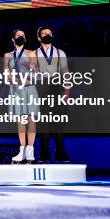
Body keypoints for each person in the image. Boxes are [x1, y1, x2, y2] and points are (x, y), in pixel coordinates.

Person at [36, 26, 70, 163]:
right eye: (44, 34)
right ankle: (45, 153)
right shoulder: (34, 53)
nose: (47, 35)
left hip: (57, 87)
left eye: (49, 33)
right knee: (43, 123)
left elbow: (65, 72)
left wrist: (67, 90)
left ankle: (60, 153)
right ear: (39, 38)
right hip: (41, 88)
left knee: (59, 122)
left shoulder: (60, 52)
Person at [3, 30, 39, 164]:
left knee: (31, 119)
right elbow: (6, 74)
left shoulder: (31, 53)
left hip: (29, 89)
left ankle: (30, 151)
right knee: (21, 120)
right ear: (13, 39)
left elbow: (36, 74)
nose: (21, 37)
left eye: (23, 36)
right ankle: (22, 150)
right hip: (16, 90)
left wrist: (25, 80)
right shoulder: (7, 55)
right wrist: (15, 80)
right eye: (18, 36)